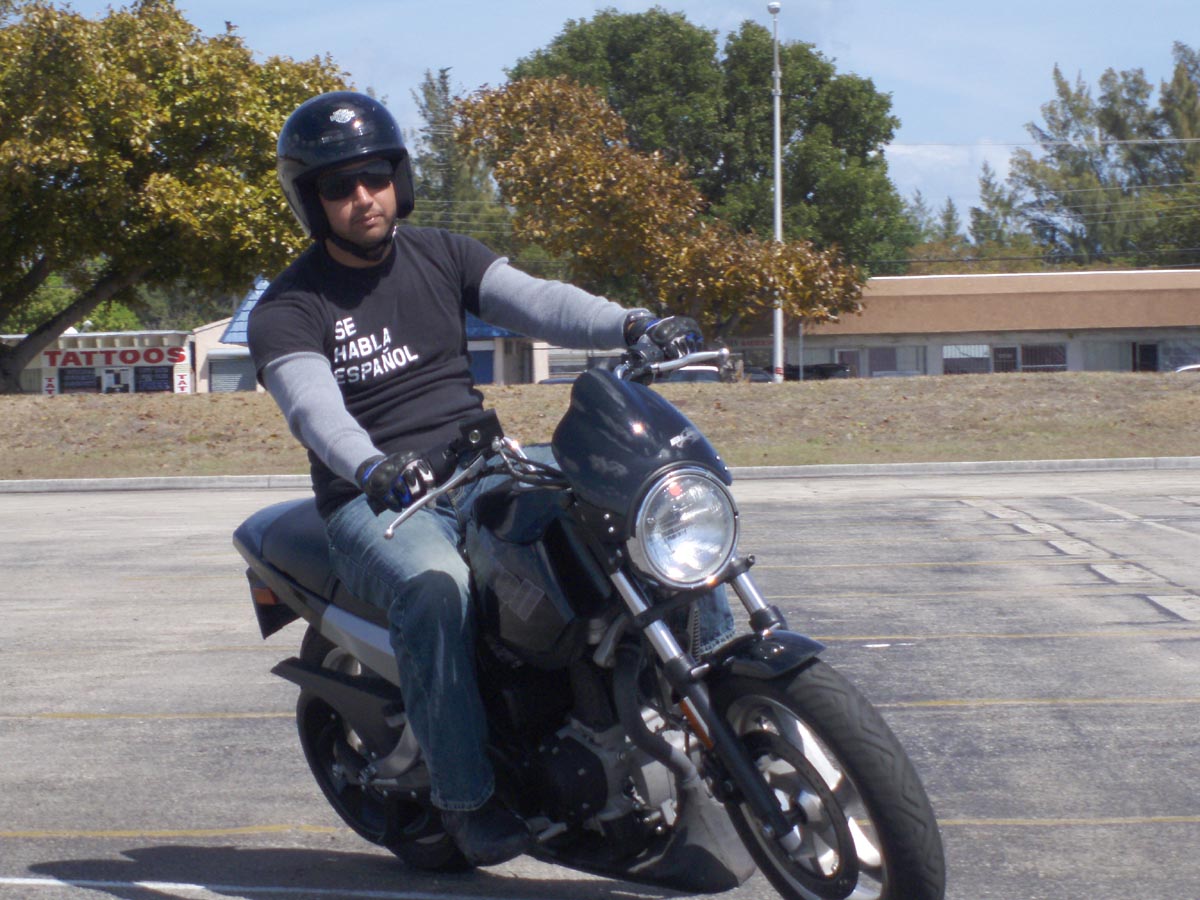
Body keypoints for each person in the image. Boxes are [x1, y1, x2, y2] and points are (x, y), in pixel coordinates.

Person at [247, 91, 732, 867]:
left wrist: (633, 323)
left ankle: (723, 688)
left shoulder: (443, 253)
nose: (362, 197)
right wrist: (371, 465)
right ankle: (467, 799)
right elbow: (312, 407)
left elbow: (538, 302)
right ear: (312, 202)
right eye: (338, 186)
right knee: (436, 589)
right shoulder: (290, 307)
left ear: (399, 180)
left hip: (482, 465)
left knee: (640, 505)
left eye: (375, 177)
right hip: (379, 500)